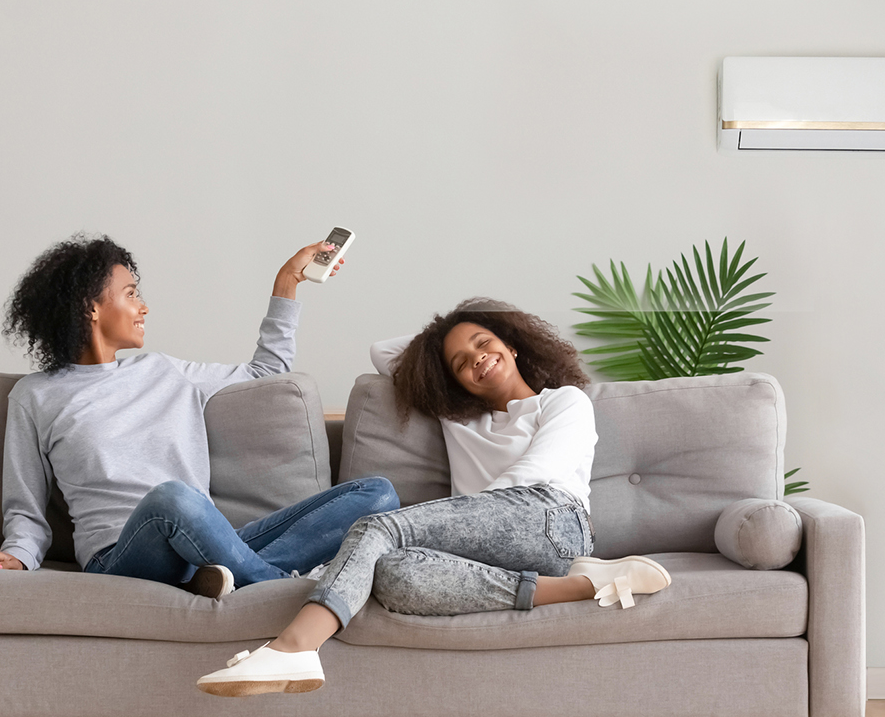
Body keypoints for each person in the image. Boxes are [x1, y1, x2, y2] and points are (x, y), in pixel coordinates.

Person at [196, 297, 672, 697]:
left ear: (512, 343)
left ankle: (294, 648)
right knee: (391, 574)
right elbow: (385, 352)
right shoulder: (459, 419)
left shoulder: (562, 400)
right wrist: (440, 352)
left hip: (552, 521)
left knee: (381, 527)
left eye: (484, 343)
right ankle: (584, 586)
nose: (476, 360)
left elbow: (535, 476)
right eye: (460, 363)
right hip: (494, 551)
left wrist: (457, 519)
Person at [0, 233, 399, 599]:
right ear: (90, 308)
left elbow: (266, 372)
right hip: (120, 556)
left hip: (204, 544)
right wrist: (17, 555)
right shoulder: (36, 396)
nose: (144, 307)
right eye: (131, 293)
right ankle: (272, 589)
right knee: (172, 498)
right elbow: (25, 504)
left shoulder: (165, 371)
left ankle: (229, 577)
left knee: (376, 493)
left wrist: (287, 283)